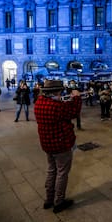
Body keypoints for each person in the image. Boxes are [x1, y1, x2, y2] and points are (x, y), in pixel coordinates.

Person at [34, 80, 82, 213]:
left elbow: (62, 113)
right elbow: (74, 112)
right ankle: (59, 201)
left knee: (51, 170)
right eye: (60, 91)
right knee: (62, 173)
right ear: (56, 92)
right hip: (61, 144)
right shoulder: (57, 106)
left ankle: (49, 199)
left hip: (47, 144)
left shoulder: (39, 103)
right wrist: (76, 97)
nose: (62, 93)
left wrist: (66, 100)